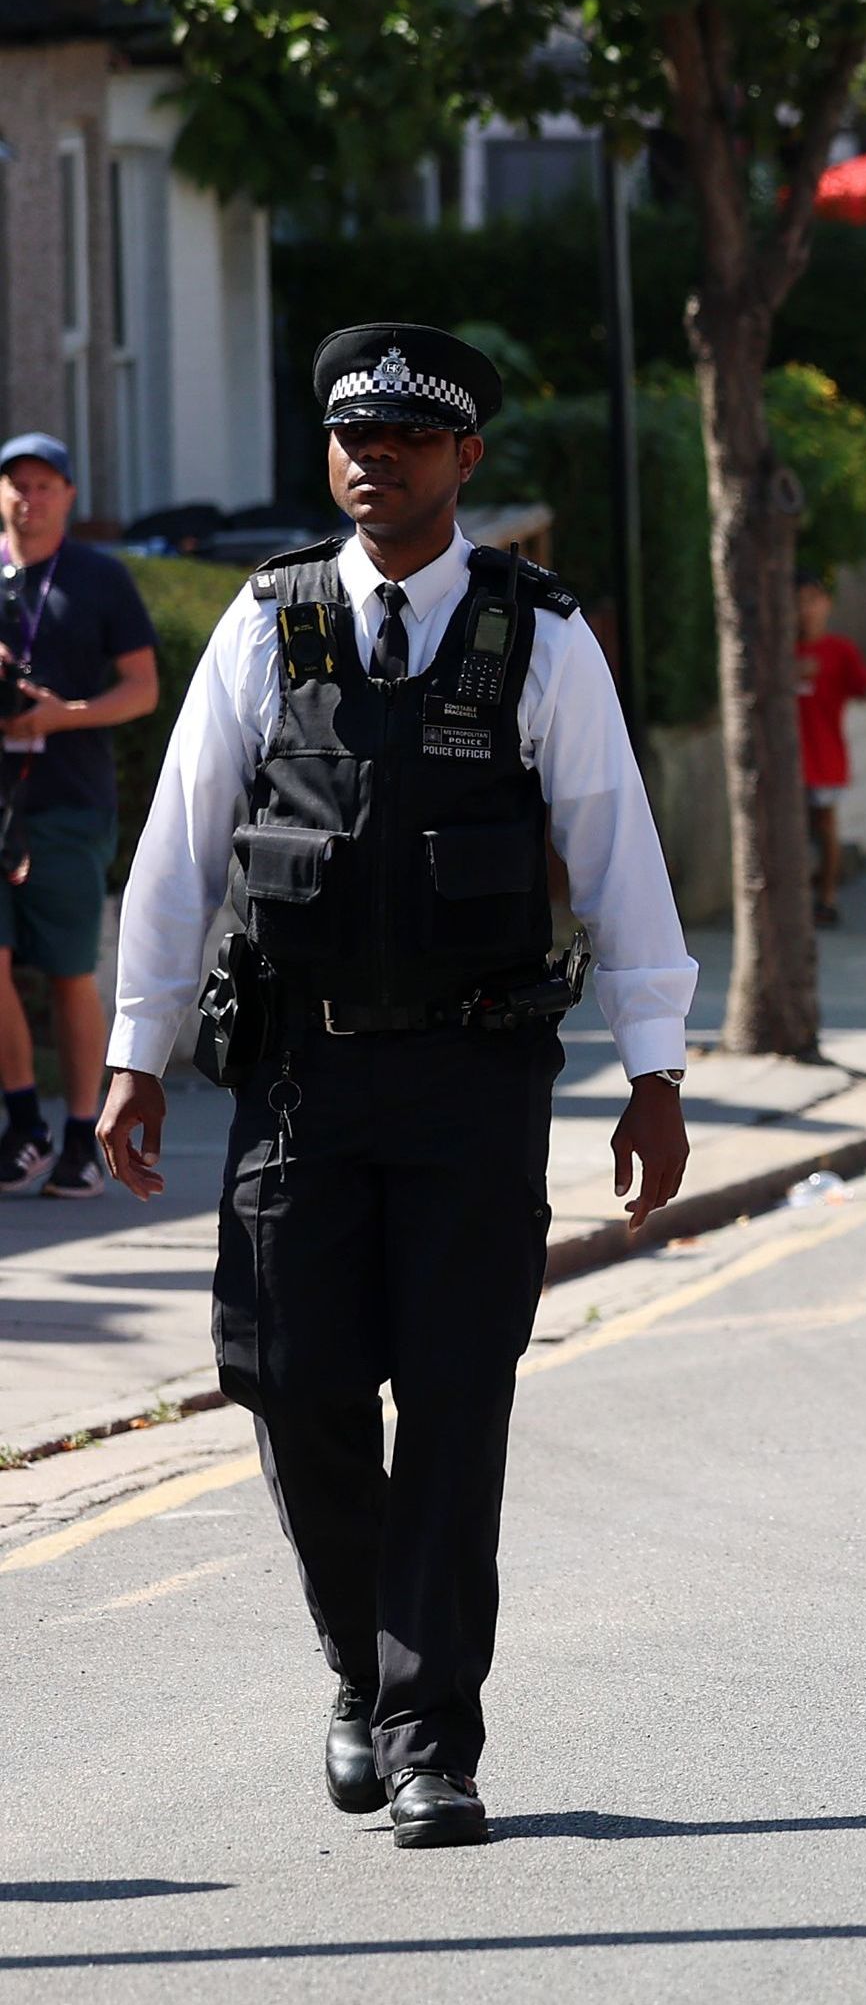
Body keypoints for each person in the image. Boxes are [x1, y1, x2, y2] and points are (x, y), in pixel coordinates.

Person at [89, 325, 699, 1849]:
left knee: (452, 1402)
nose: (379, 460)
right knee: (291, 1381)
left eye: (413, 440)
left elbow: (620, 856)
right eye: (356, 437)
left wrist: (658, 1068)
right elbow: (176, 848)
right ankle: (360, 1663)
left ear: (464, 462)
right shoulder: (269, 621)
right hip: (296, 1078)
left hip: (473, 1080)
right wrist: (132, 1052)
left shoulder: (534, 636)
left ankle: (433, 1733)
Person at [0, 431, 160, 1198]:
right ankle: (23, 1123)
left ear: (67, 494)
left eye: (43, 485)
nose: (27, 499)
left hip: (68, 801)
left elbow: (143, 689)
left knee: (68, 973)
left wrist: (64, 715)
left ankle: (77, 1134)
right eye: (15, 485)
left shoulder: (97, 578)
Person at [793, 576, 866, 930]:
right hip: (787, 764)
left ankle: (827, 897)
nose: (805, 610)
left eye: (813, 599)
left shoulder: (839, 651)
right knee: (791, 831)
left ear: (827, 603)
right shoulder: (775, 652)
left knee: (825, 825)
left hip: (825, 756)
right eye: (798, 601)